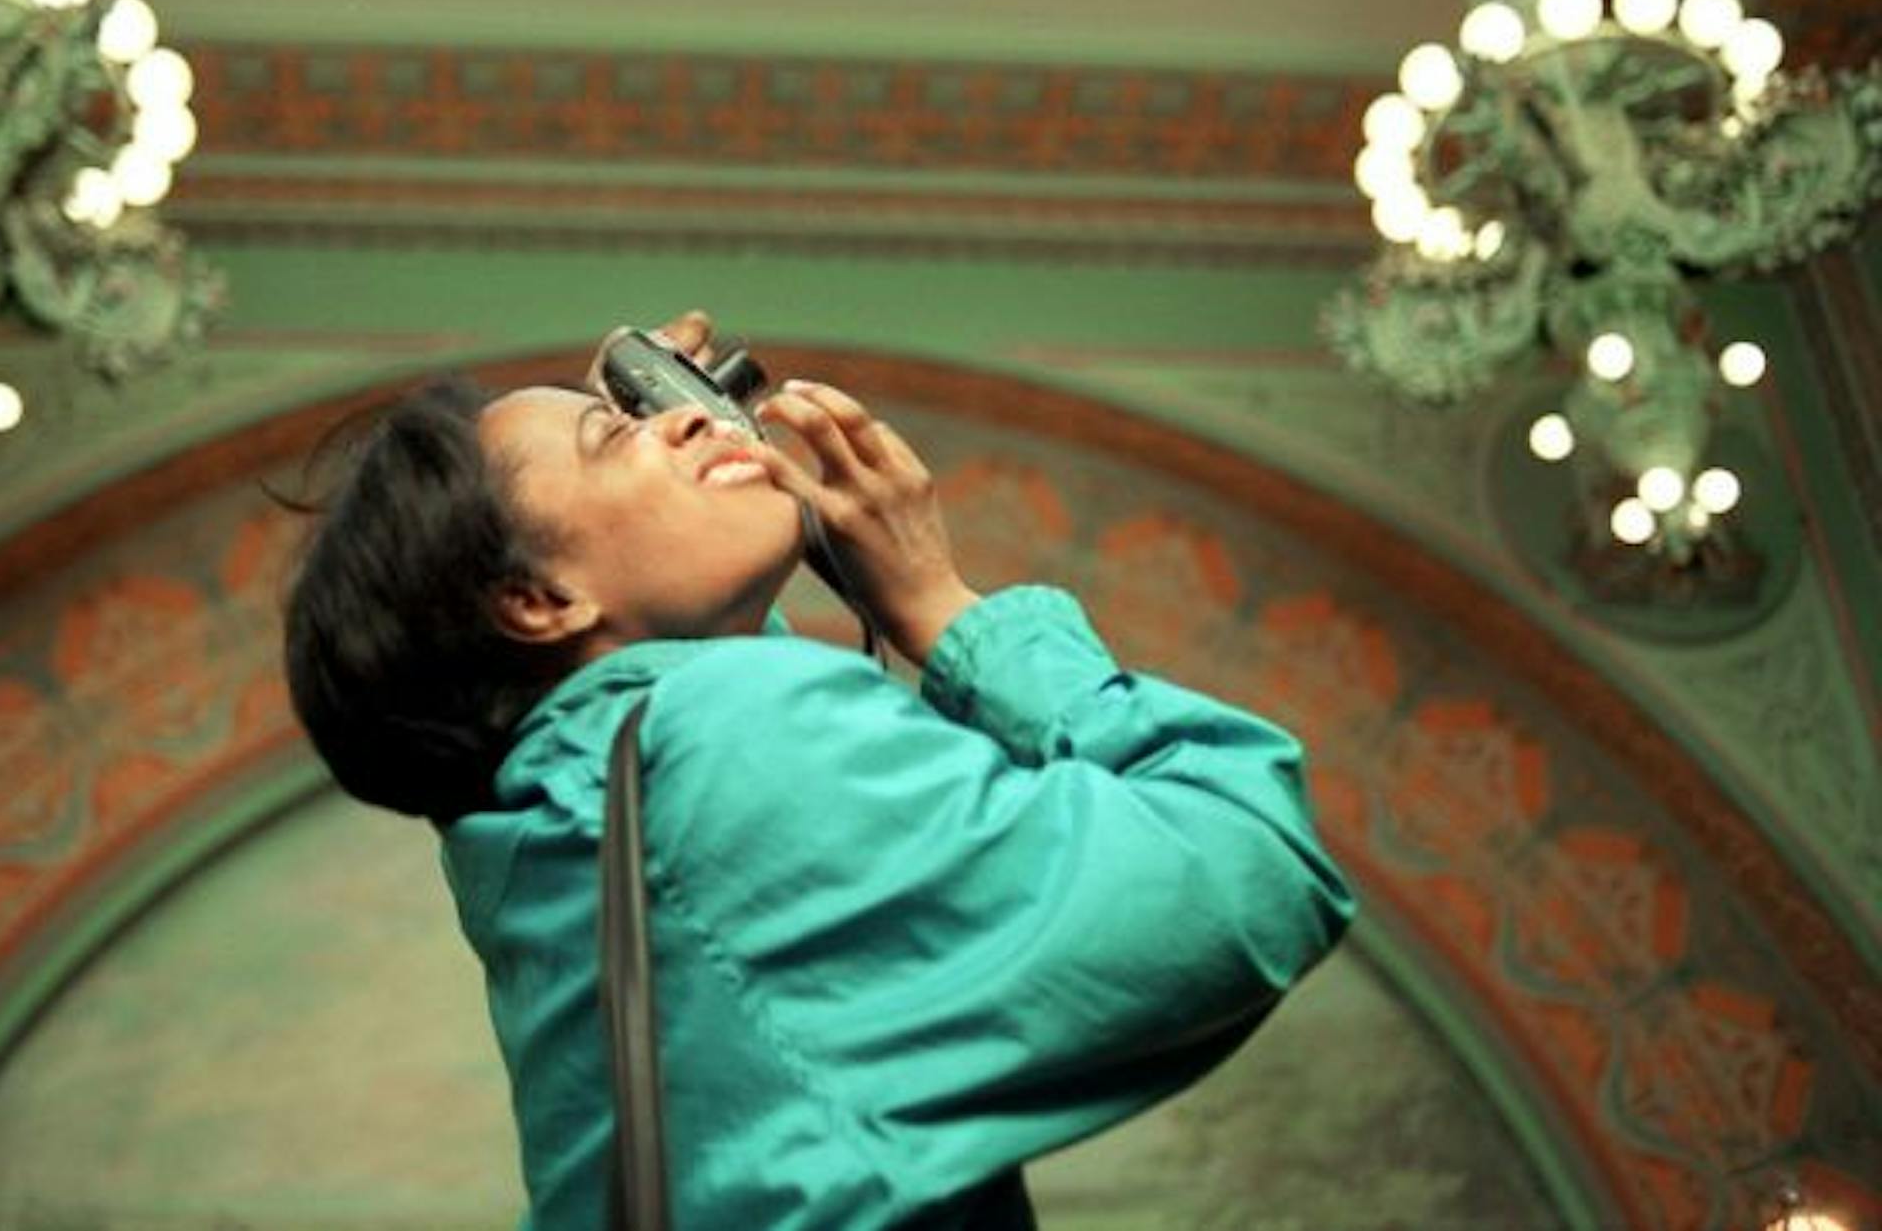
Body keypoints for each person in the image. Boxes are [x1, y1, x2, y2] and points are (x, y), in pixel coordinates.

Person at [282, 313, 1356, 1230]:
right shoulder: (718, 742)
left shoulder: (572, 822)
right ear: (538, 602)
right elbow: (1248, 860)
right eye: (622, 431)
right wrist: (940, 606)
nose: (687, 417)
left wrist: (641, 474)